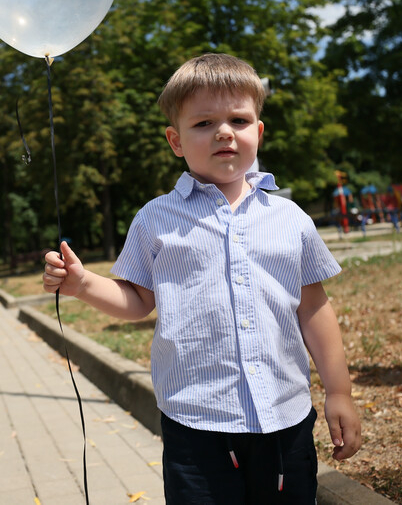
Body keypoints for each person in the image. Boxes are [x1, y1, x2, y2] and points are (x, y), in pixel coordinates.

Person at [42, 53, 361, 503]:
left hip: (283, 418)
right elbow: (137, 300)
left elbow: (313, 309)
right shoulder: (156, 219)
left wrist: (339, 391)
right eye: (204, 123)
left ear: (259, 131)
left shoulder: (290, 219)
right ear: (176, 140)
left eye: (238, 119)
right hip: (195, 422)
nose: (224, 131)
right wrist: (82, 284)